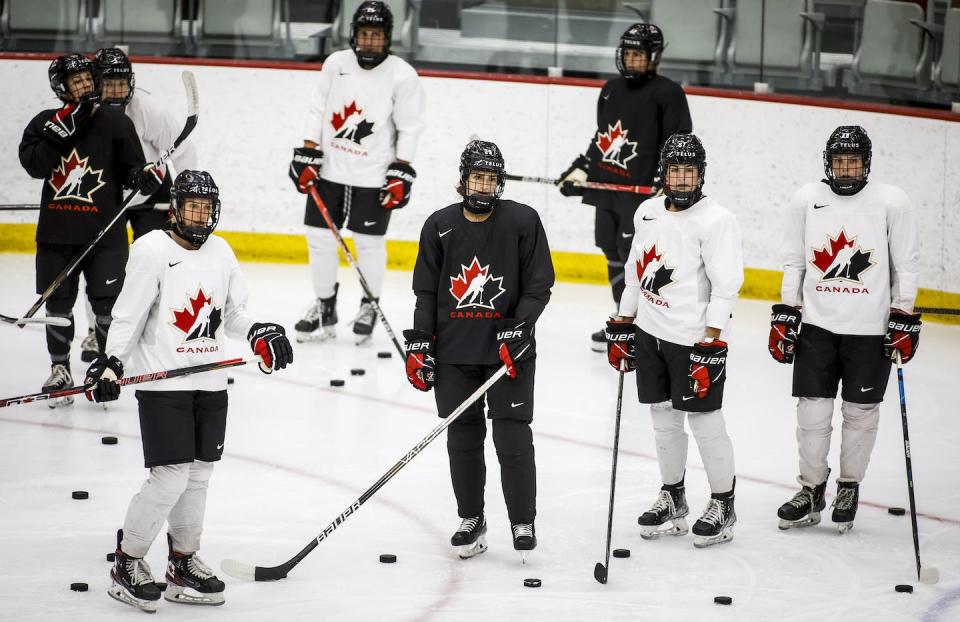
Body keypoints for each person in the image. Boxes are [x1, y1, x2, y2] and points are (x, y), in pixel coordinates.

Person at [84, 170, 293, 612]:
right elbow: (129, 314)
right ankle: (128, 560)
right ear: (175, 208)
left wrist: (258, 332)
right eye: (192, 205)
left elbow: (231, 315)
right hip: (164, 382)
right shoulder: (152, 249)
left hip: (210, 381)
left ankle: (182, 562)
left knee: (198, 476)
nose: (200, 214)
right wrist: (111, 361)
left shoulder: (220, 251)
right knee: (171, 475)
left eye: (207, 206)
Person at [404, 140, 554, 563]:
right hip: (455, 353)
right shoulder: (438, 226)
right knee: (464, 437)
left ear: (500, 181)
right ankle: (472, 518)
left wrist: (518, 329)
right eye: (476, 177)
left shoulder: (523, 221)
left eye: (490, 178)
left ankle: (522, 521)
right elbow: (426, 292)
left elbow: (539, 284)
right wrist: (420, 345)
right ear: (463, 179)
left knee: (512, 435)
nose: (483, 186)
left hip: (511, 353)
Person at [770, 126, 921, 533]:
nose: (846, 168)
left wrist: (903, 315)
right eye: (839, 161)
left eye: (853, 161)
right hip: (817, 327)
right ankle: (811, 488)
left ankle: (849, 486)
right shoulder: (807, 199)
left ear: (867, 163)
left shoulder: (892, 202)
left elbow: (904, 265)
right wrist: (787, 312)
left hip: (870, 331)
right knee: (812, 413)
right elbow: (794, 261)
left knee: (860, 413)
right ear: (828, 163)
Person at [605, 133, 743, 548]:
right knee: (663, 419)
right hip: (650, 333)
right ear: (663, 172)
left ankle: (724, 503)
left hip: (693, 340)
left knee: (705, 421)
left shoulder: (717, 219)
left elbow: (726, 287)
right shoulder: (647, 212)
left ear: (701, 174)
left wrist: (712, 342)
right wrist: (623, 323)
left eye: (690, 171)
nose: (682, 179)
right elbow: (634, 274)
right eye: (675, 170)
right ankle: (673, 495)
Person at [18, 53, 163, 408]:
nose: (83, 85)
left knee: (107, 308)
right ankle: (59, 369)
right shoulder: (44, 123)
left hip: (106, 234)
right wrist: (64, 128)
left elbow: (132, 171)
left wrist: (141, 177)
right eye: (75, 81)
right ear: (61, 88)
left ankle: (103, 369)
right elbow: (36, 167)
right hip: (57, 234)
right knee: (58, 306)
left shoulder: (115, 122)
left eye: (87, 79)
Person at [289, 0, 425, 344]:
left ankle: (369, 304)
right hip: (330, 172)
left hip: (373, 177)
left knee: (368, 243)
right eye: (364, 34)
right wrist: (308, 151)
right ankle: (324, 305)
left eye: (376, 36)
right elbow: (317, 108)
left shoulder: (402, 75)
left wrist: (401, 171)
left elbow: (410, 128)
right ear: (354, 35)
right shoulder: (336, 64)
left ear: (388, 38)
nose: (369, 42)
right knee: (318, 239)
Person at [557, 23, 692, 352]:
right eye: (628, 54)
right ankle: (623, 318)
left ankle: (644, 324)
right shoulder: (611, 89)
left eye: (638, 55)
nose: (631, 61)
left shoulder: (668, 92)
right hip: (608, 188)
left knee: (636, 258)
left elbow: (679, 143)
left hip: (643, 194)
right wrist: (580, 168)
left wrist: (669, 182)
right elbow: (603, 138)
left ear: (654, 57)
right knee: (610, 248)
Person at [74, 47, 200, 364]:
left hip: (152, 195)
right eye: (109, 83)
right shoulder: (84, 113)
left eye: (121, 83)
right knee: (102, 269)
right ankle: (95, 329)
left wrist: (184, 197)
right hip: (105, 197)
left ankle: (159, 329)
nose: (116, 91)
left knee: (158, 264)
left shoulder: (148, 109)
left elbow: (183, 151)